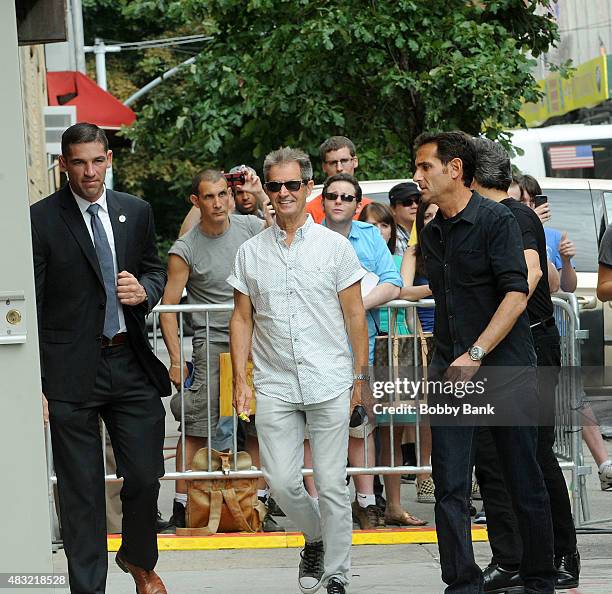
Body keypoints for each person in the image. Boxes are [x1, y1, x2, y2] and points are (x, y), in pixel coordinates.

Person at [413, 131, 555, 594]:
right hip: (451, 375)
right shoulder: (432, 231)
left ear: (455, 169)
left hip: (504, 370)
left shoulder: (499, 219)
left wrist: (476, 353)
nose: (417, 176)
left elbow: (517, 292)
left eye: (425, 167)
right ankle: (461, 583)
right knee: (450, 486)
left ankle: (538, 580)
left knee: (521, 479)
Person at [32, 123, 170, 594]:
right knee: (81, 494)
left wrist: (145, 291)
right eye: (79, 162)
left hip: (129, 361)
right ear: (64, 165)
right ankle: (88, 589)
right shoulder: (40, 220)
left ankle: (136, 557)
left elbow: (154, 271)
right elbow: (30, 301)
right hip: (69, 373)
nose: (89, 171)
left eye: (97, 160)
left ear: (108, 158)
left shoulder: (136, 210)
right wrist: (36, 383)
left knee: (147, 476)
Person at [228, 147, 370, 594]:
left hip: (329, 378)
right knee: (285, 484)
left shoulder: (336, 247)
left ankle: (337, 574)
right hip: (273, 382)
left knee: (331, 484)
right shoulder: (250, 253)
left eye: (292, 185)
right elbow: (241, 318)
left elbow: (355, 317)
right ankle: (315, 536)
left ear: (308, 188)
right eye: (274, 186)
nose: (283, 193)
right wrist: (240, 380)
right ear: (266, 191)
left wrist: (359, 379)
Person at [472, 137, 580, 591]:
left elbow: (533, 277)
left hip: (533, 350)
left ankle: (561, 554)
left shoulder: (516, 216)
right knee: (495, 460)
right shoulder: (484, 218)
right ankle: (512, 557)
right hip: (503, 354)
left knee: (535, 457)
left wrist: (483, 342)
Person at [159, 169, 282, 533]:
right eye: (208, 197)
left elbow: (279, 227)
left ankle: (256, 504)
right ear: (196, 202)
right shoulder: (185, 249)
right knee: (198, 426)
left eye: (222, 195)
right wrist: (174, 361)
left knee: (258, 425)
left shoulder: (247, 227)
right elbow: (168, 309)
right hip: (211, 343)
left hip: (256, 341)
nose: (218, 203)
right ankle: (183, 505)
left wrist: (259, 192)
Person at [320, 173, 403, 529]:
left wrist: (359, 305)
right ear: (323, 201)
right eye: (332, 195)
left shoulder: (369, 236)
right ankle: (318, 505)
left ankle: (366, 502)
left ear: (357, 205)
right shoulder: (308, 235)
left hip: (360, 344)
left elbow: (393, 281)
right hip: (317, 345)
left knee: (361, 423)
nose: (339, 201)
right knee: (316, 428)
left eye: (347, 197)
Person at [358, 202, 428, 524]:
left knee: (393, 435)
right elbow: (403, 290)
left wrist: (410, 260)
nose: (379, 232)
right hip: (360, 351)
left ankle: (394, 505)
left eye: (384, 225)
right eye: (371, 226)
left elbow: (400, 287)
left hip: (396, 352)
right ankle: (365, 500)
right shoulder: (349, 259)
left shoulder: (399, 260)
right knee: (362, 432)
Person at [397, 199, 439, 503]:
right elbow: (402, 290)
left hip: (463, 336)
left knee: (463, 409)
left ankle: (471, 474)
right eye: (428, 214)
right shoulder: (414, 252)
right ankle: (425, 476)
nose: (435, 218)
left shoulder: (462, 245)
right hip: (425, 336)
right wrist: (435, 288)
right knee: (427, 410)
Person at [509, 174, 577, 293]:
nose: (529, 207)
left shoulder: (555, 236)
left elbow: (568, 288)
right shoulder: (507, 233)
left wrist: (566, 261)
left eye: (533, 201)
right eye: (522, 202)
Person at [305, 136, 372, 223]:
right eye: (333, 163)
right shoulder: (310, 211)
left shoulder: (370, 208)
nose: (339, 168)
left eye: (344, 161)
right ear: (324, 167)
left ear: (355, 161)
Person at [388, 181, 421, 257]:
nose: (415, 206)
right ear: (393, 209)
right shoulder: (391, 237)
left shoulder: (426, 229)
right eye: (407, 202)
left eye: (418, 201)